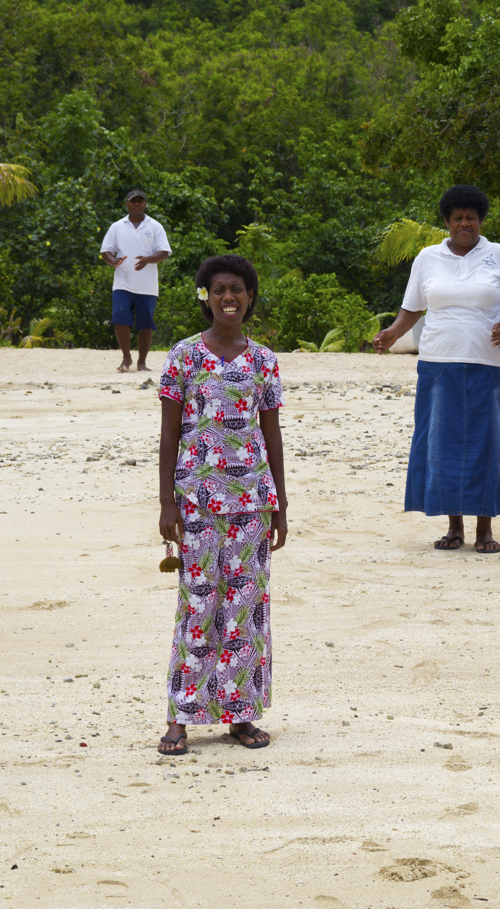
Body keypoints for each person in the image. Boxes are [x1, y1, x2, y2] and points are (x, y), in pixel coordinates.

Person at [156, 254, 287, 755]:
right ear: (205, 298)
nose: (228, 298)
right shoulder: (184, 356)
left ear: (250, 297)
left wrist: (281, 504)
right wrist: (167, 502)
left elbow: (271, 434)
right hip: (196, 500)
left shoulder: (263, 360)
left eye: (237, 290)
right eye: (218, 290)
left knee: (245, 609)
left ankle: (240, 715)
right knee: (198, 603)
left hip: (253, 501)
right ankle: (181, 718)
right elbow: (169, 432)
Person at [372, 185, 500, 554]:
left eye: (471, 217)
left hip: (489, 365)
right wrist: (393, 332)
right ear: (446, 222)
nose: (465, 223)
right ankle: (454, 528)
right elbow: (413, 307)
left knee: (487, 444)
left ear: (480, 221)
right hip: (438, 364)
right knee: (442, 444)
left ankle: (485, 530)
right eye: (457, 217)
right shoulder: (427, 258)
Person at [99, 188, 171, 373]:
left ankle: (142, 362)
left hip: (147, 286)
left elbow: (163, 252)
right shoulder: (117, 226)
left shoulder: (155, 226)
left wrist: (148, 259)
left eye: (140, 201)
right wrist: (113, 261)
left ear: (145, 204)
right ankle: (126, 357)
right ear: (127, 204)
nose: (137, 204)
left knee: (145, 324)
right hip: (122, 282)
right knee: (120, 319)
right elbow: (106, 250)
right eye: (133, 201)